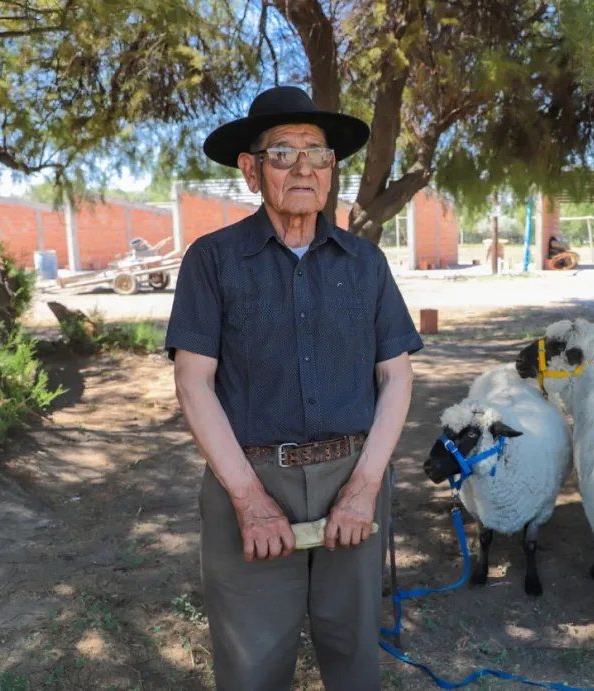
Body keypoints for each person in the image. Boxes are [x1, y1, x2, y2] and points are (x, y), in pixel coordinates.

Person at [164, 85, 423, 690]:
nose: (303, 167)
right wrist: (250, 500)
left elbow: (396, 375)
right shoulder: (212, 260)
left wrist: (364, 487)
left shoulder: (365, 263)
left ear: (332, 169)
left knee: (355, 657)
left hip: (352, 477)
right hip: (250, 478)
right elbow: (194, 383)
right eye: (283, 153)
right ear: (251, 171)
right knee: (251, 668)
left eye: (318, 153)